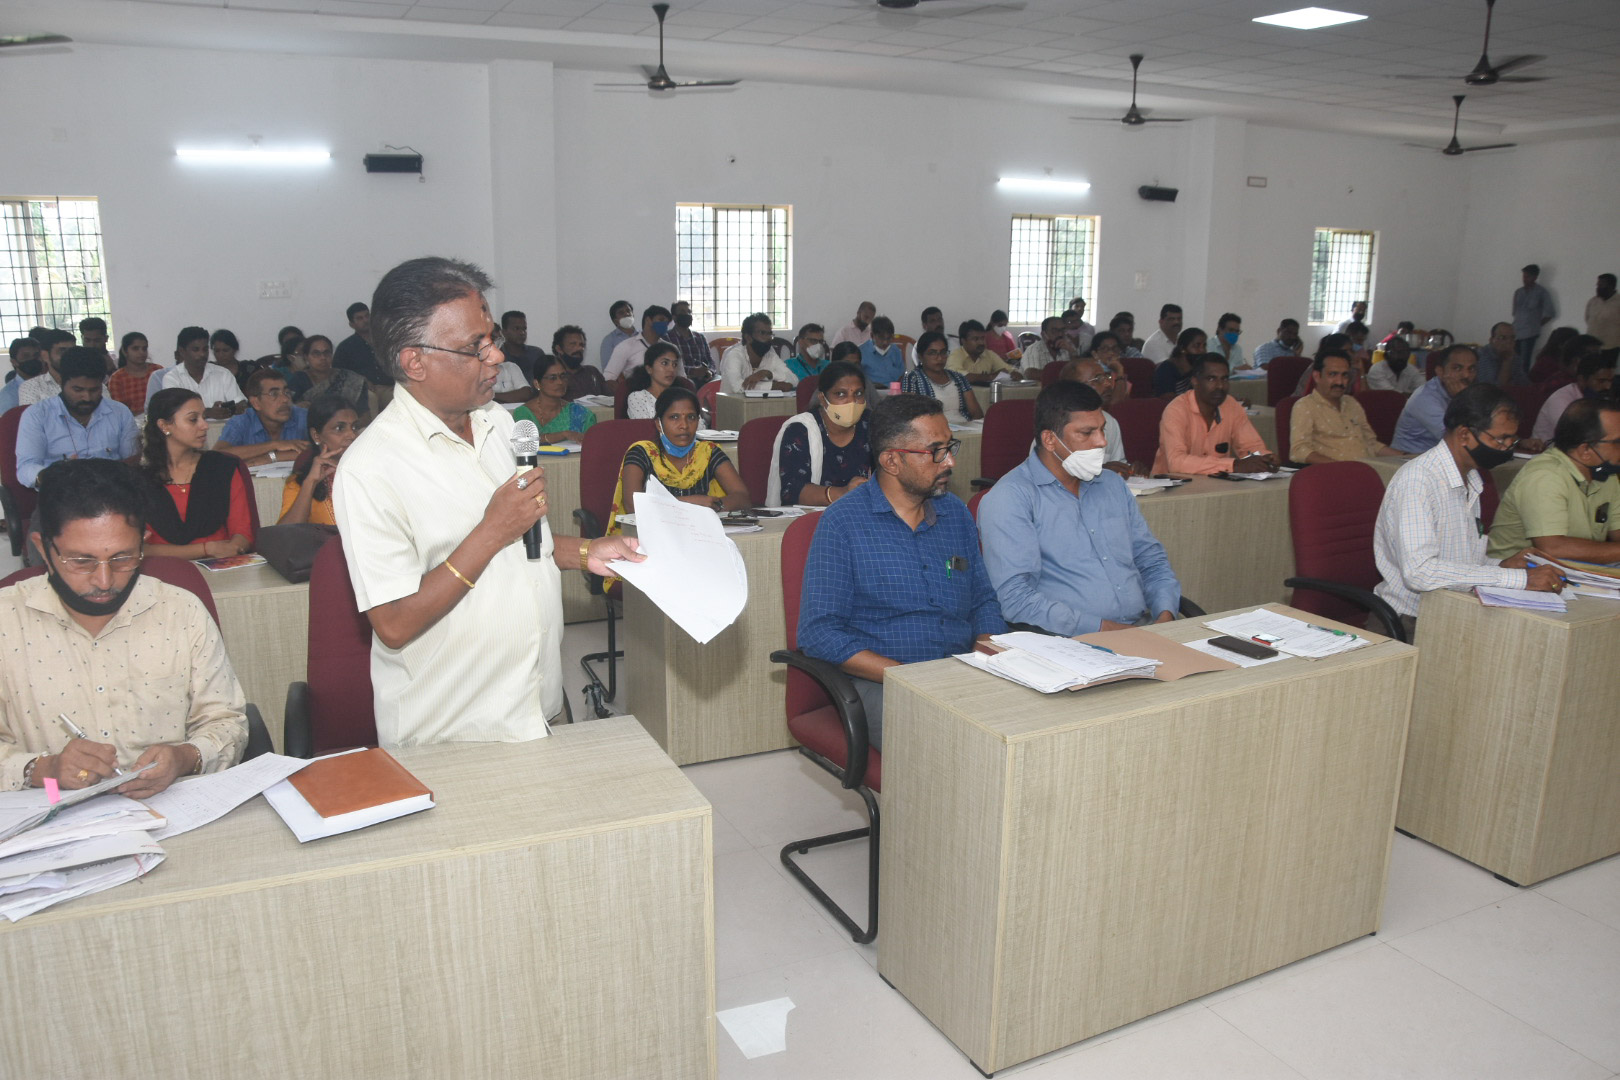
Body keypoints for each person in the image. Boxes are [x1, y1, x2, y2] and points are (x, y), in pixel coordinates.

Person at [334, 257, 642, 747]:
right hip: (455, 731)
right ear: (415, 362)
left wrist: (587, 551)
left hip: (539, 706)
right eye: (474, 347)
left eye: (492, 338)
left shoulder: (497, 421)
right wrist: (492, 530)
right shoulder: (370, 469)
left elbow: (523, 544)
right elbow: (393, 623)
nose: (496, 356)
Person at [0, 458, 247, 794]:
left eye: (123, 558)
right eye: (81, 561)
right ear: (44, 549)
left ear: (143, 542)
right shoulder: (6, 620)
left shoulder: (180, 611)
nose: (104, 581)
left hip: (170, 805)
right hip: (51, 807)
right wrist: (44, 769)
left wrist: (185, 758)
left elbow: (228, 722)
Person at [797, 394, 1005, 749]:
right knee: (953, 741)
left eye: (950, 447)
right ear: (892, 460)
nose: (950, 461)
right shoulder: (843, 524)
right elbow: (819, 633)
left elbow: (983, 599)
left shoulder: (955, 514)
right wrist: (908, 677)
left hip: (960, 670)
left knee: (1031, 721)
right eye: (935, 451)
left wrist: (986, 654)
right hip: (883, 682)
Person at [980, 381, 1179, 635]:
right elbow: (1015, 599)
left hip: (1143, 630)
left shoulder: (1112, 485)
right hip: (1068, 641)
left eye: (1102, 429)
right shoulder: (1011, 498)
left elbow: (1151, 560)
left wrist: (1165, 615)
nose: (1102, 442)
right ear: (1050, 439)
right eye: (1087, 433)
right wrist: (1111, 631)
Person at [1374, 383, 1564, 637]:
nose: (1508, 448)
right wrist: (1519, 580)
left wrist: (1503, 566)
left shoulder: (1470, 478)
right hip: (1411, 622)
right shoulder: (1419, 480)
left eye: (1512, 439)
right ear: (1464, 435)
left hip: (1455, 611)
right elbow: (1420, 573)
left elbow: (1459, 564)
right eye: (1501, 439)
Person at [1489, 397, 1620, 566]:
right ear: (1586, 450)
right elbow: (1553, 548)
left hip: (1575, 571)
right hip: (1516, 575)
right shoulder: (1545, 476)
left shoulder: (1605, 473)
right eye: (1617, 442)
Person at [609, 386, 751, 528]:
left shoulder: (708, 452)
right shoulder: (641, 453)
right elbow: (633, 506)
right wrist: (692, 502)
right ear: (659, 424)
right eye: (674, 417)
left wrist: (716, 505)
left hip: (700, 532)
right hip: (652, 533)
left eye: (691, 417)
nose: (684, 425)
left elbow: (742, 498)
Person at [140, 388, 255, 560]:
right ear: (164, 426)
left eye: (204, 417)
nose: (205, 425)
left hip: (222, 564)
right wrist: (206, 549)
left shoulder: (221, 467)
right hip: (162, 569)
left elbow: (243, 532)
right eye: (193, 419)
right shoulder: (138, 478)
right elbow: (137, 549)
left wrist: (234, 547)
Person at [16, 348, 140, 488]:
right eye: (78, 390)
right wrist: (53, 474)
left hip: (112, 491)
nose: (87, 398)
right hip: (61, 493)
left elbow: (132, 459)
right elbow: (26, 468)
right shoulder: (37, 415)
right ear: (61, 382)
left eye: (94, 390)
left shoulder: (119, 412)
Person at [768, 360, 870, 507]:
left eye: (858, 394)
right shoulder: (801, 429)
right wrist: (842, 493)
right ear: (823, 399)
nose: (852, 401)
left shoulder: (871, 424)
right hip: (811, 516)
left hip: (861, 513)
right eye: (841, 394)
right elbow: (791, 492)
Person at [1153, 353, 1273, 475]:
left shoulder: (1231, 405)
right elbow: (1176, 462)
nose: (1220, 386)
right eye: (1211, 379)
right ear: (1195, 381)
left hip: (1217, 483)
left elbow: (1251, 446)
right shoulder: (1176, 410)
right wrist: (1233, 465)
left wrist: (1265, 459)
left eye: (1224, 379)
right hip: (1173, 484)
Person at [1289, 351, 1404, 464]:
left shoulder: (1352, 403)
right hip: (1335, 472)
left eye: (1344, 375)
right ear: (1317, 376)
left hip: (1369, 468)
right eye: (1332, 374)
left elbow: (1372, 444)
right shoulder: (1305, 406)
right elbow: (1299, 450)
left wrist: (1406, 458)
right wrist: (1343, 468)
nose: (1340, 382)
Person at [278, 396, 362, 526]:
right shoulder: (299, 483)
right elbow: (285, 533)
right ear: (316, 435)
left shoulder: (371, 472)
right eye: (339, 428)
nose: (352, 435)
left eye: (355, 427)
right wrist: (311, 483)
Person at [1392, 345, 1479, 454]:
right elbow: (1457, 439)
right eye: (1457, 368)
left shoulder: (1472, 391)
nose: (1466, 375)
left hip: (1443, 456)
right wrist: (1461, 398)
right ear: (1440, 372)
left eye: (1471, 369)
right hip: (1409, 458)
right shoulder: (1425, 398)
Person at [215, 369, 311, 466]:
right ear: (256, 403)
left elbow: (319, 450)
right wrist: (274, 445)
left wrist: (272, 457)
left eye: (287, 392)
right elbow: (217, 456)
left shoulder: (303, 416)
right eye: (274, 394)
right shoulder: (241, 422)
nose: (285, 399)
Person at [150, 326, 245, 419]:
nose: (202, 354)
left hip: (224, 428)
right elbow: (175, 412)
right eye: (196, 350)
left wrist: (228, 409)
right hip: (187, 430)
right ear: (182, 351)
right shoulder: (172, 378)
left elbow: (241, 403)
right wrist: (207, 413)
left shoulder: (223, 374)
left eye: (205, 349)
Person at [1057, 357, 1128, 474]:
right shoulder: (1055, 423)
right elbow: (1045, 474)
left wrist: (1128, 470)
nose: (1108, 384)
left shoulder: (1109, 421)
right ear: (1074, 388)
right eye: (1098, 379)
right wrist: (1100, 472)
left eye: (1107, 377)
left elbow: (1118, 465)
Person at [514, 354, 600, 446]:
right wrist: (564, 434)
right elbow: (525, 441)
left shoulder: (580, 414)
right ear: (537, 384)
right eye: (552, 378)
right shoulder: (524, 413)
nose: (560, 382)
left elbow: (592, 444)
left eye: (563, 376)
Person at [1531, 351, 1615, 443]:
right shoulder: (1561, 399)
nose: (1608, 386)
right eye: (1601, 381)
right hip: (1546, 449)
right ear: (1581, 379)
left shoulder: (1600, 397)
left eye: (1610, 381)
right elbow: (1573, 435)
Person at [902, 331, 982, 424]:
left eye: (943, 352)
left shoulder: (958, 378)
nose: (939, 358)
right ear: (920, 356)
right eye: (932, 353)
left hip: (965, 427)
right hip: (933, 429)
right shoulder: (913, 378)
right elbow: (909, 416)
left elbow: (977, 414)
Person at [287, 334, 369, 417]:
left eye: (327, 353)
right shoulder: (299, 379)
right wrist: (298, 407)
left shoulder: (350, 379)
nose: (323, 357)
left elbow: (365, 414)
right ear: (306, 357)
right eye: (316, 353)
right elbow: (288, 406)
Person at [719, 312, 795, 393]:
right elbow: (738, 388)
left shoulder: (770, 354)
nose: (768, 338)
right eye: (762, 333)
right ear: (748, 337)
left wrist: (768, 374)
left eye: (770, 334)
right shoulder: (734, 355)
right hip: (732, 401)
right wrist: (773, 386)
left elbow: (794, 380)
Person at [335, 301, 394, 402]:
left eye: (367, 316)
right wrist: (360, 380)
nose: (366, 320)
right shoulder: (345, 347)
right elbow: (338, 373)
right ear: (351, 324)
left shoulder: (386, 340)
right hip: (363, 390)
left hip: (390, 386)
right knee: (370, 398)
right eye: (359, 318)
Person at [604, 304, 672, 383]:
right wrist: (624, 388)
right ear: (648, 320)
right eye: (661, 320)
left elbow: (680, 377)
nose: (626, 314)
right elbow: (609, 377)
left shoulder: (671, 349)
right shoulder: (622, 346)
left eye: (667, 322)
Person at [1511, 264, 1557, 381]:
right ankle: (1513, 382)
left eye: (1527, 277)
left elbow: (1550, 313)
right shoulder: (1518, 292)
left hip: (1529, 333)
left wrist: (1536, 324)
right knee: (1513, 361)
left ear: (1535, 277)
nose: (1524, 279)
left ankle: (1522, 384)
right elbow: (1515, 312)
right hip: (1516, 332)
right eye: (1523, 276)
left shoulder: (1541, 292)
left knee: (1524, 362)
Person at [949, 319, 1028, 384]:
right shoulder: (956, 355)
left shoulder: (989, 354)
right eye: (976, 339)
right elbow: (959, 377)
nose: (981, 342)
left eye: (983, 338)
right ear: (963, 341)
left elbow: (1009, 370)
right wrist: (991, 376)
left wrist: (1015, 374)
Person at [106, 332, 163, 413]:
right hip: (131, 419)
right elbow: (120, 410)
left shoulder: (157, 370)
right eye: (135, 349)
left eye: (144, 348)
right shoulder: (117, 378)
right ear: (125, 351)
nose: (141, 352)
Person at [625, 341, 682, 419]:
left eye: (675, 364)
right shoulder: (638, 398)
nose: (672, 369)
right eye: (665, 363)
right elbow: (645, 426)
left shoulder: (682, 397)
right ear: (649, 369)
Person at [19, 329, 75, 407]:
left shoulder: (88, 382)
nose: (69, 356)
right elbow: (32, 414)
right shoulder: (31, 386)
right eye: (62, 351)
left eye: (72, 351)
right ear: (45, 355)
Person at [665, 300, 713, 385]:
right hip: (683, 379)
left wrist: (709, 371)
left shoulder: (700, 338)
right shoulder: (667, 338)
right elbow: (668, 365)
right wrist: (692, 371)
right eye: (682, 312)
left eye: (689, 312)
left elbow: (710, 361)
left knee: (720, 382)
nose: (687, 314)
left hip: (705, 377)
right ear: (674, 317)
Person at [552, 324, 606, 399]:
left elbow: (609, 400)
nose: (579, 348)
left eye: (582, 345)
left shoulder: (592, 372)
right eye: (573, 344)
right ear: (559, 349)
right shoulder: (552, 376)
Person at [1153, 326, 1207, 398]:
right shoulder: (1166, 369)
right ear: (1182, 349)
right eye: (1197, 345)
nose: (1202, 350)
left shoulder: (1197, 368)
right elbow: (1167, 399)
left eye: (1204, 345)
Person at [858, 315, 906, 387]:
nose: (885, 342)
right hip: (872, 390)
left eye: (889, 338)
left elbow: (902, 374)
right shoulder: (861, 352)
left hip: (893, 390)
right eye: (881, 338)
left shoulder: (895, 350)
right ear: (872, 335)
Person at [0, 338, 43, 414]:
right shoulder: (8, 395)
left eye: (36, 355)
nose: (32, 359)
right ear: (14, 362)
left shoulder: (53, 384)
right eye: (26, 356)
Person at [210, 329, 260, 393]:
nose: (221, 355)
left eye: (225, 350)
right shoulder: (208, 370)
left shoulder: (249, 369)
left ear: (235, 349)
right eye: (217, 351)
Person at [1586, 274, 1619, 360]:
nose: (1597, 288)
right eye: (1597, 285)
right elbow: (1587, 318)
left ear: (1611, 286)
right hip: (1591, 347)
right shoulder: (1593, 301)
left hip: (1610, 348)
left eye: (1601, 285)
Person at [1474, 322, 1518, 386]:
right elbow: (1490, 388)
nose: (1509, 342)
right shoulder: (1481, 356)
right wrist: (1507, 362)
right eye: (1502, 338)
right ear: (1491, 340)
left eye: (1512, 338)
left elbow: (1524, 383)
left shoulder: (1514, 356)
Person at [599, 299, 636, 368]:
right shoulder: (609, 340)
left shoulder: (643, 335)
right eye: (621, 313)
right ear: (615, 321)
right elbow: (608, 368)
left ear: (633, 315)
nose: (627, 314)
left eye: (628, 311)